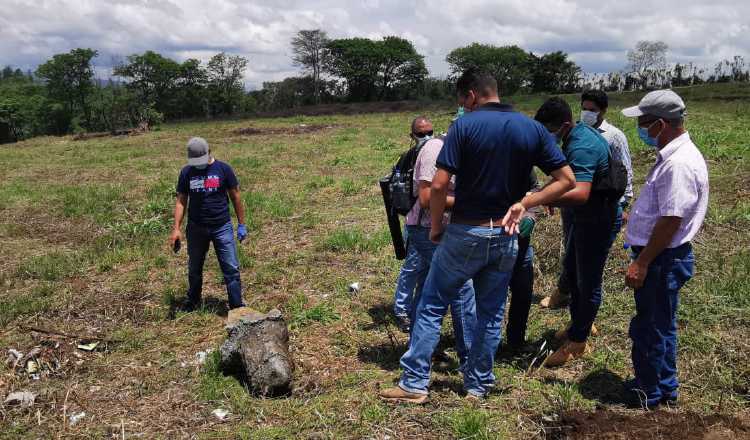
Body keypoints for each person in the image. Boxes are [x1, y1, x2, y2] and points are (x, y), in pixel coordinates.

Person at [379, 69, 575, 403]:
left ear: (471, 95)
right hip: (505, 234)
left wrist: (437, 225)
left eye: (462, 101)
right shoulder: (532, 128)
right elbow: (566, 180)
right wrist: (526, 203)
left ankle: (413, 384)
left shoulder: (464, 127)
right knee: (490, 312)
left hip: (466, 231)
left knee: (430, 304)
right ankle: (478, 385)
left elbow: (439, 185)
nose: (463, 108)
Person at [621, 90, 708, 408]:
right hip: (664, 257)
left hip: (660, 259)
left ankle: (650, 393)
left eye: (643, 123)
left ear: (660, 124)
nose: (640, 129)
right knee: (661, 324)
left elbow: (671, 220)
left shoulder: (678, 164)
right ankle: (663, 386)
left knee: (650, 328)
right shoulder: (673, 156)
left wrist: (642, 262)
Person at [534, 97, 618, 367]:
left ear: (564, 125)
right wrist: (547, 191)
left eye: (548, 132)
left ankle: (578, 342)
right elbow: (565, 178)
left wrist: (541, 199)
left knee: (588, 281)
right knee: (572, 270)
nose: (547, 138)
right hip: (585, 219)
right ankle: (577, 325)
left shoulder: (581, 145)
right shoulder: (575, 137)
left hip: (596, 220)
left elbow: (580, 193)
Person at [541, 90, 634, 310]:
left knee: (588, 272)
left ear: (603, 110)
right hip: (578, 208)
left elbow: (623, 173)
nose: (587, 113)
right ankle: (570, 301)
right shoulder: (577, 135)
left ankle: (581, 330)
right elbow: (569, 175)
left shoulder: (607, 137)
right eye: (584, 108)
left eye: (592, 110)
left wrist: (623, 205)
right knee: (573, 258)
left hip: (597, 210)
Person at [401, 117, 476, 368]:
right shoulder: (435, 149)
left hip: (438, 228)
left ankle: (421, 349)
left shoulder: (457, 152)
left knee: (426, 286)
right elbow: (426, 197)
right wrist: (471, 200)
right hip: (424, 229)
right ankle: (469, 359)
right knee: (461, 286)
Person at [169, 137, 247, 311]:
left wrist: (241, 224)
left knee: (231, 268)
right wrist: (176, 229)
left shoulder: (223, 169)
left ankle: (237, 305)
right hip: (196, 227)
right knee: (194, 267)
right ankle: (193, 301)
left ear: (209, 152)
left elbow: (235, 196)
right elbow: (181, 201)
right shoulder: (186, 173)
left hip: (222, 226)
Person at [392, 117, 436, 333]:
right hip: (416, 221)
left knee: (425, 268)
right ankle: (402, 309)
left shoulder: (438, 153)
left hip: (433, 222)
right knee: (413, 265)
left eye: (430, 131)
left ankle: (417, 309)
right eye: (421, 134)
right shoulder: (409, 157)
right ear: (412, 136)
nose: (427, 137)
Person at [503, 171, 541, 351]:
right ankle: (485, 344)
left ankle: (516, 340)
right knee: (491, 293)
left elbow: (534, 190)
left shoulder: (523, 161)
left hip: (520, 241)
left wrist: (530, 216)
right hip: (491, 235)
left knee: (523, 290)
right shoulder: (482, 156)